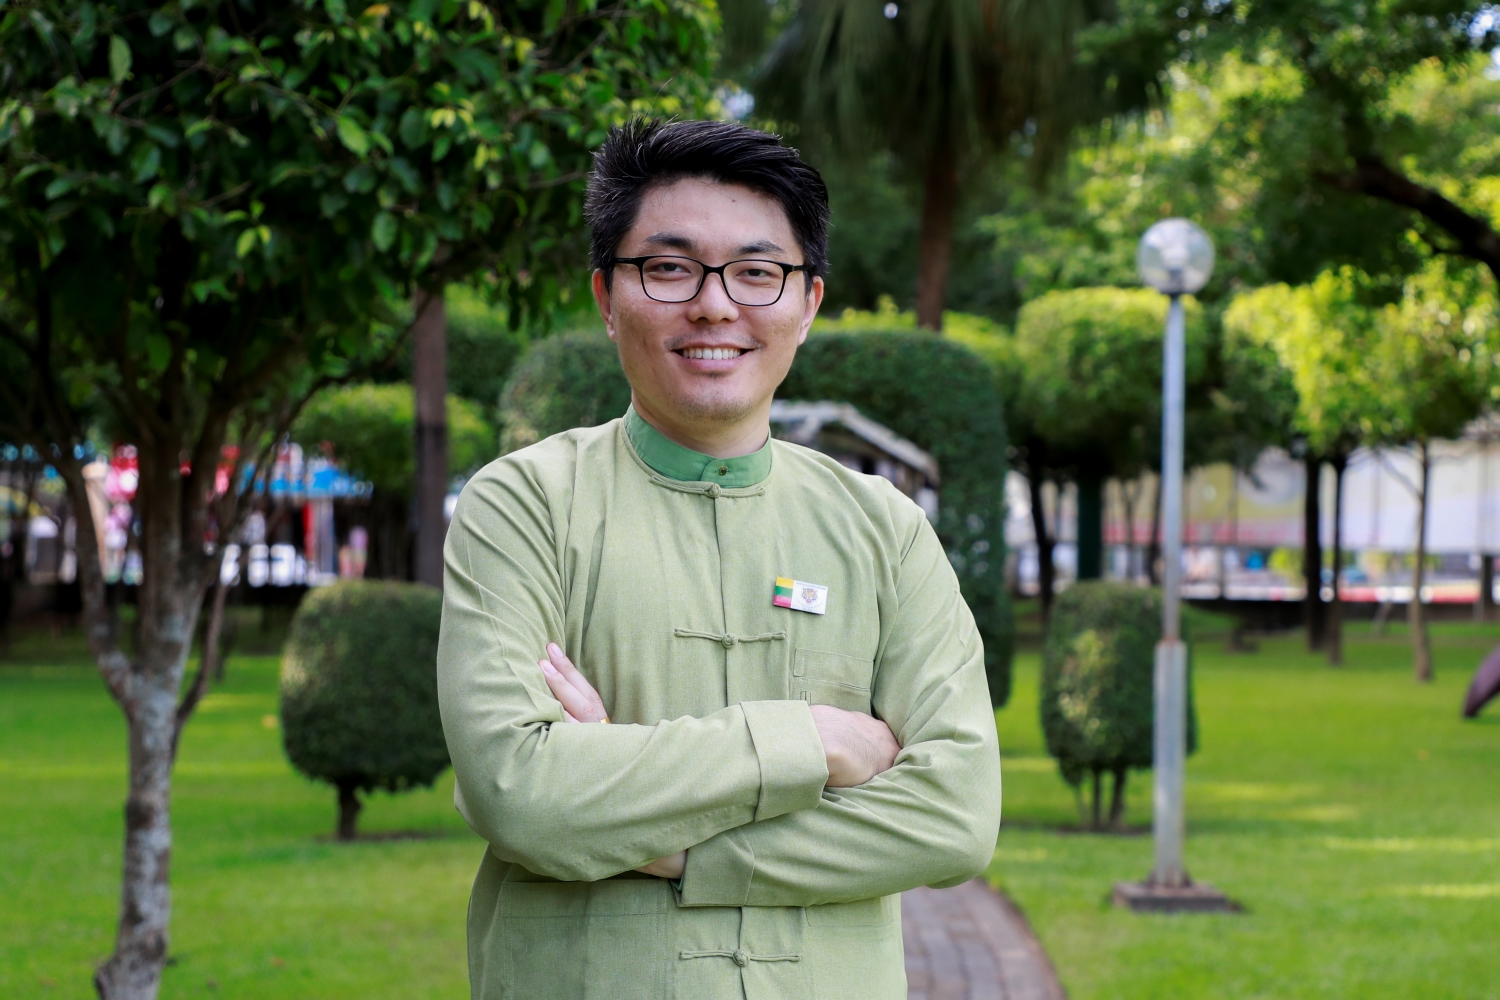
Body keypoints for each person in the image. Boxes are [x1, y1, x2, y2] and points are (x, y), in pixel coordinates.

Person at [437, 118, 1002, 1000]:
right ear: (605, 294)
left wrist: (663, 843)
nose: (715, 305)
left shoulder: (883, 527)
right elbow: (521, 792)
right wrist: (815, 742)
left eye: (758, 271)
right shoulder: (526, 506)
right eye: (668, 268)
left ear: (807, 303)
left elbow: (955, 816)